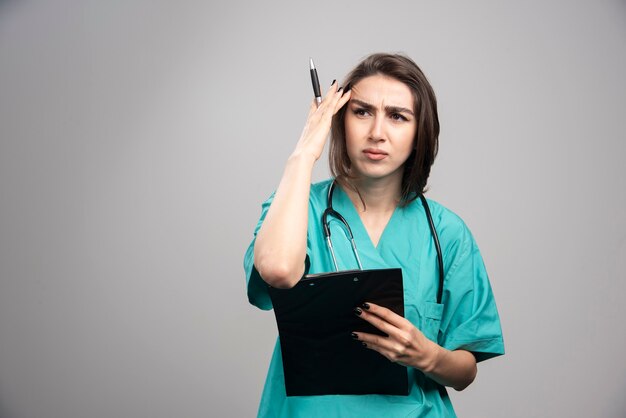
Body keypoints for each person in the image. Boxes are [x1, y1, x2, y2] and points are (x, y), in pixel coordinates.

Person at [243, 53, 504, 417]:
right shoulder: (296, 205)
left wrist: (427, 355)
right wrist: (303, 155)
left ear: (419, 132)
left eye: (398, 116)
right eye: (362, 112)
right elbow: (278, 270)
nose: (376, 133)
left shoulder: (447, 234)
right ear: (339, 120)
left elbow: (465, 371)